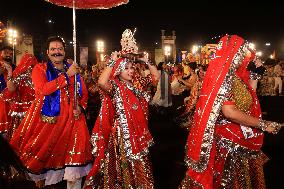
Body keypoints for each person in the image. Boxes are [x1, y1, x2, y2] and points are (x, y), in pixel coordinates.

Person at [180, 35, 283, 189]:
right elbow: (229, 112)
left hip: (241, 137)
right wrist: (263, 124)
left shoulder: (236, 78)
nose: (244, 57)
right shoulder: (224, 78)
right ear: (232, 54)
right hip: (229, 145)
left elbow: (247, 102)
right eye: (241, 52)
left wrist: (254, 77)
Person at [10, 36, 92, 189]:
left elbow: (83, 93)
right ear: (47, 53)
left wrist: (80, 107)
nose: (57, 52)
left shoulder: (72, 67)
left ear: (64, 51)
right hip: (49, 121)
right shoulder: (40, 69)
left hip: (74, 120)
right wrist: (67, 76)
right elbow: (43, 90)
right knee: (43, 160)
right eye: (53, 49)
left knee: (75, 163)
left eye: (60, 49)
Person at [84, 29, 159, 189]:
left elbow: (155, 78)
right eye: (127, 68)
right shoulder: (115, 87)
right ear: (119, 70)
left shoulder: (138, 85)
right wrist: (112, 62)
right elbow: (101, 82)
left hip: (139, 133)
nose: (131, 71)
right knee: (123, 167)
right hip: (121, 135)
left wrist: (147, 61)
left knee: (141, 163)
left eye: (133, 68)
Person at [0, 53, 37, 140]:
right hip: (23, 108)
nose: (30, 65)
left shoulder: (38, 73)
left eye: (32, 63)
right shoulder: (20, 74)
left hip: (35, 107)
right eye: (28, 62)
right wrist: (9, 72)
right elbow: (11, 89)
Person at [0, 46, 15, 137]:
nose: (9, 55)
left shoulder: (14, 67)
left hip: (11, 104)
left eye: (10, 54)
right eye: (6, 53)